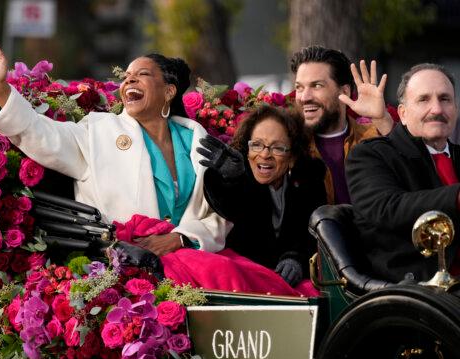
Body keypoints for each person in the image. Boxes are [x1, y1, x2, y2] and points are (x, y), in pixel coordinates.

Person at [0, 36, 228, 254]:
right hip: (124, 269)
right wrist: (1, 89)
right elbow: (41, 134)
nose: (129, 81)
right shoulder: (98, 131)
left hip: (195, 261)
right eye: (126, 77)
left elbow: (221, 213)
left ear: (169, 91)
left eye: (142, 74)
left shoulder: (196, 140)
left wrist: (181, 238)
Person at [346, 63, 459, 283]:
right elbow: (387, 208)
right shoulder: (369, 156)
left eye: (445, 99)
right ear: (403, 114)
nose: (437, 109)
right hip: (414, 292)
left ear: (455, 110)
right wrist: (456, 198)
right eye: (424, 99)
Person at [197, 106, 326, 288]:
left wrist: (297, 259)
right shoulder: (238, 174)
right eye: (256, 145)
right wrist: (231, 179)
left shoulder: (309, 179)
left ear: (292, 156)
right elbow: (230, 204)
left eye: (277, 148)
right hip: (244, 280)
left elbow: (314, 235)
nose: (264, 155)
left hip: (295, 285)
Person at [291, 45, 394, 204]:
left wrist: (382, 119)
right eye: (299, 87)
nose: (304, 97)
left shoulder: (372, 139)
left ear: (344, 92)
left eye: (317, 85)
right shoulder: (289, 146)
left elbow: (409, 181)